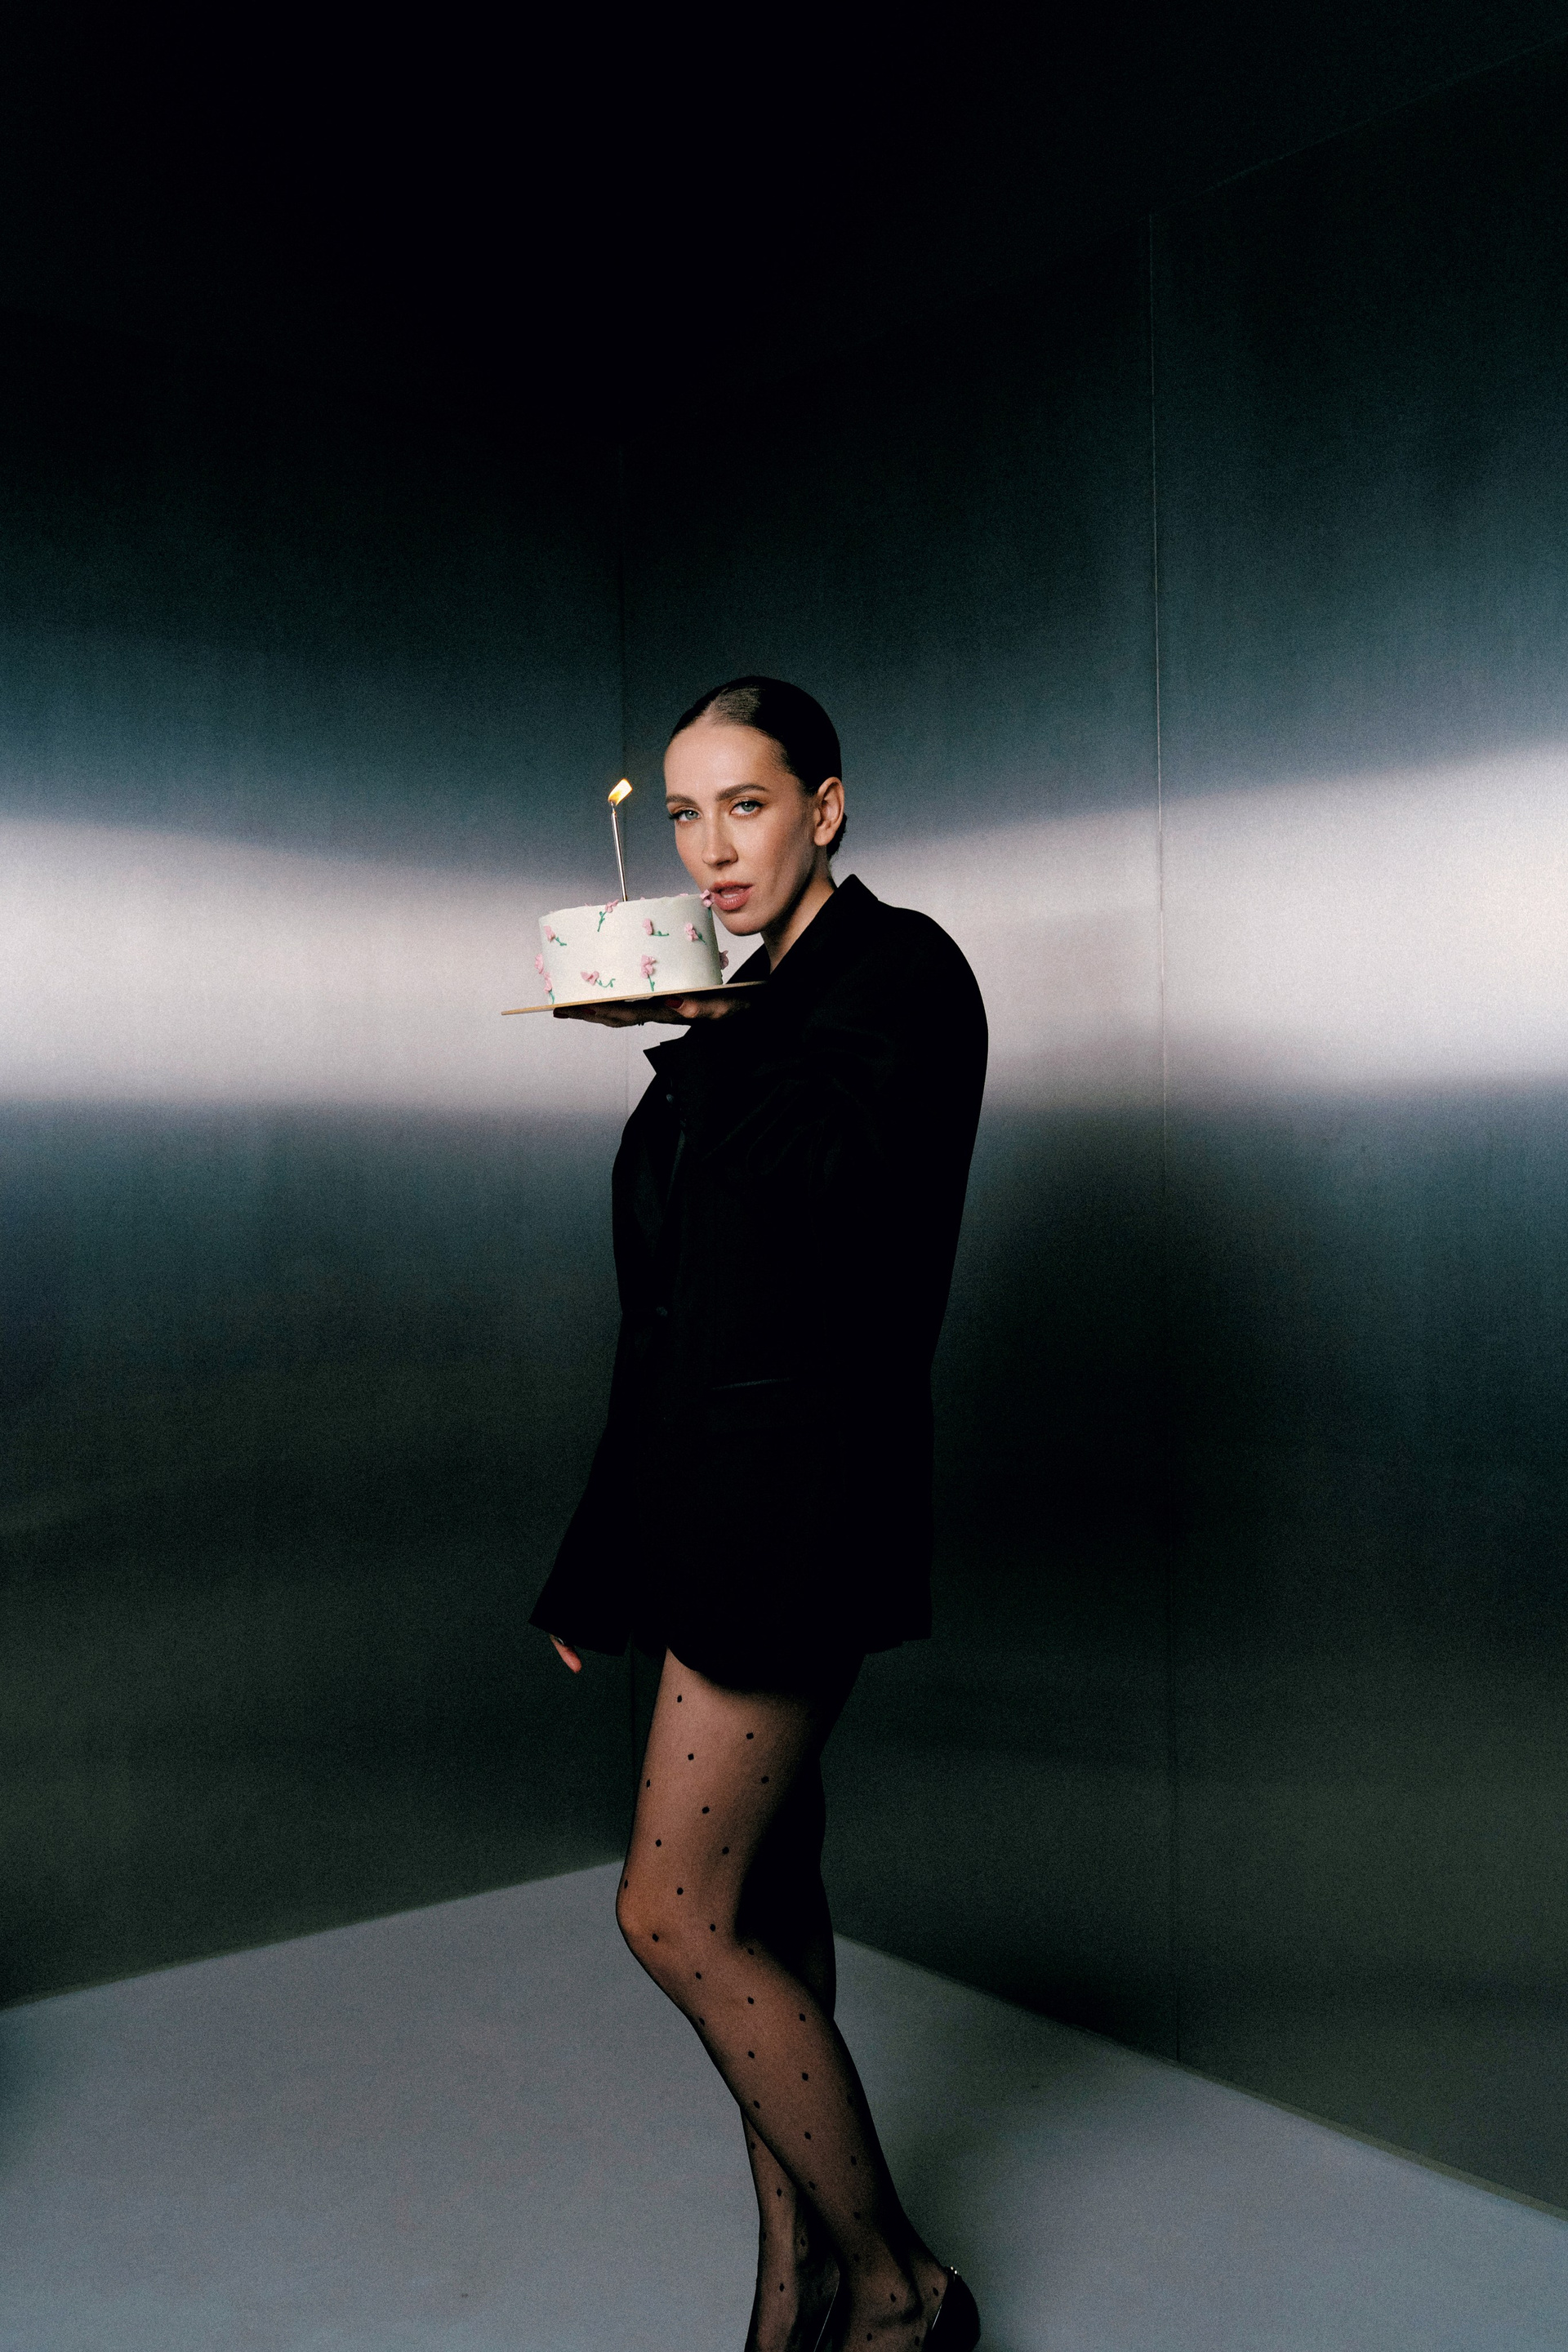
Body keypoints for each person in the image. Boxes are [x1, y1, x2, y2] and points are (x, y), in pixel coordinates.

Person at [531, 677, 987, 2351]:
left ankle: (901, 2288)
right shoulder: (747, 1010)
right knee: (771, 1908)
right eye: (684, 814)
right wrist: (597, 1560)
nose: (711, 849)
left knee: (672, 1912)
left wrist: (711, 1032)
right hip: (702, 1513)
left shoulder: (901, 975)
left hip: (800, 1520)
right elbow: (671, 1324)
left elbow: (835, 1211)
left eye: (746, 804)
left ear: (826, 806)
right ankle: (795, 2285)